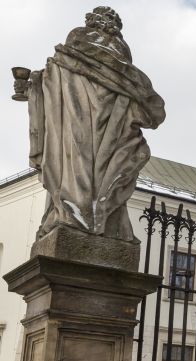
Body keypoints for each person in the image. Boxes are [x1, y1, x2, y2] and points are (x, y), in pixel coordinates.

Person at [14, 6, 165, 242]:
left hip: (79, 124)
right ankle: (92, 219)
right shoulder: (121, 59)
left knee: (75, 168)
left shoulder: (77, 43)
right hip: (109, 129)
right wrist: (36, 85)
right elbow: (143, 105)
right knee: (99, 175)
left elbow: (54, 77)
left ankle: (78, 216)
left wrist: (34, 86)